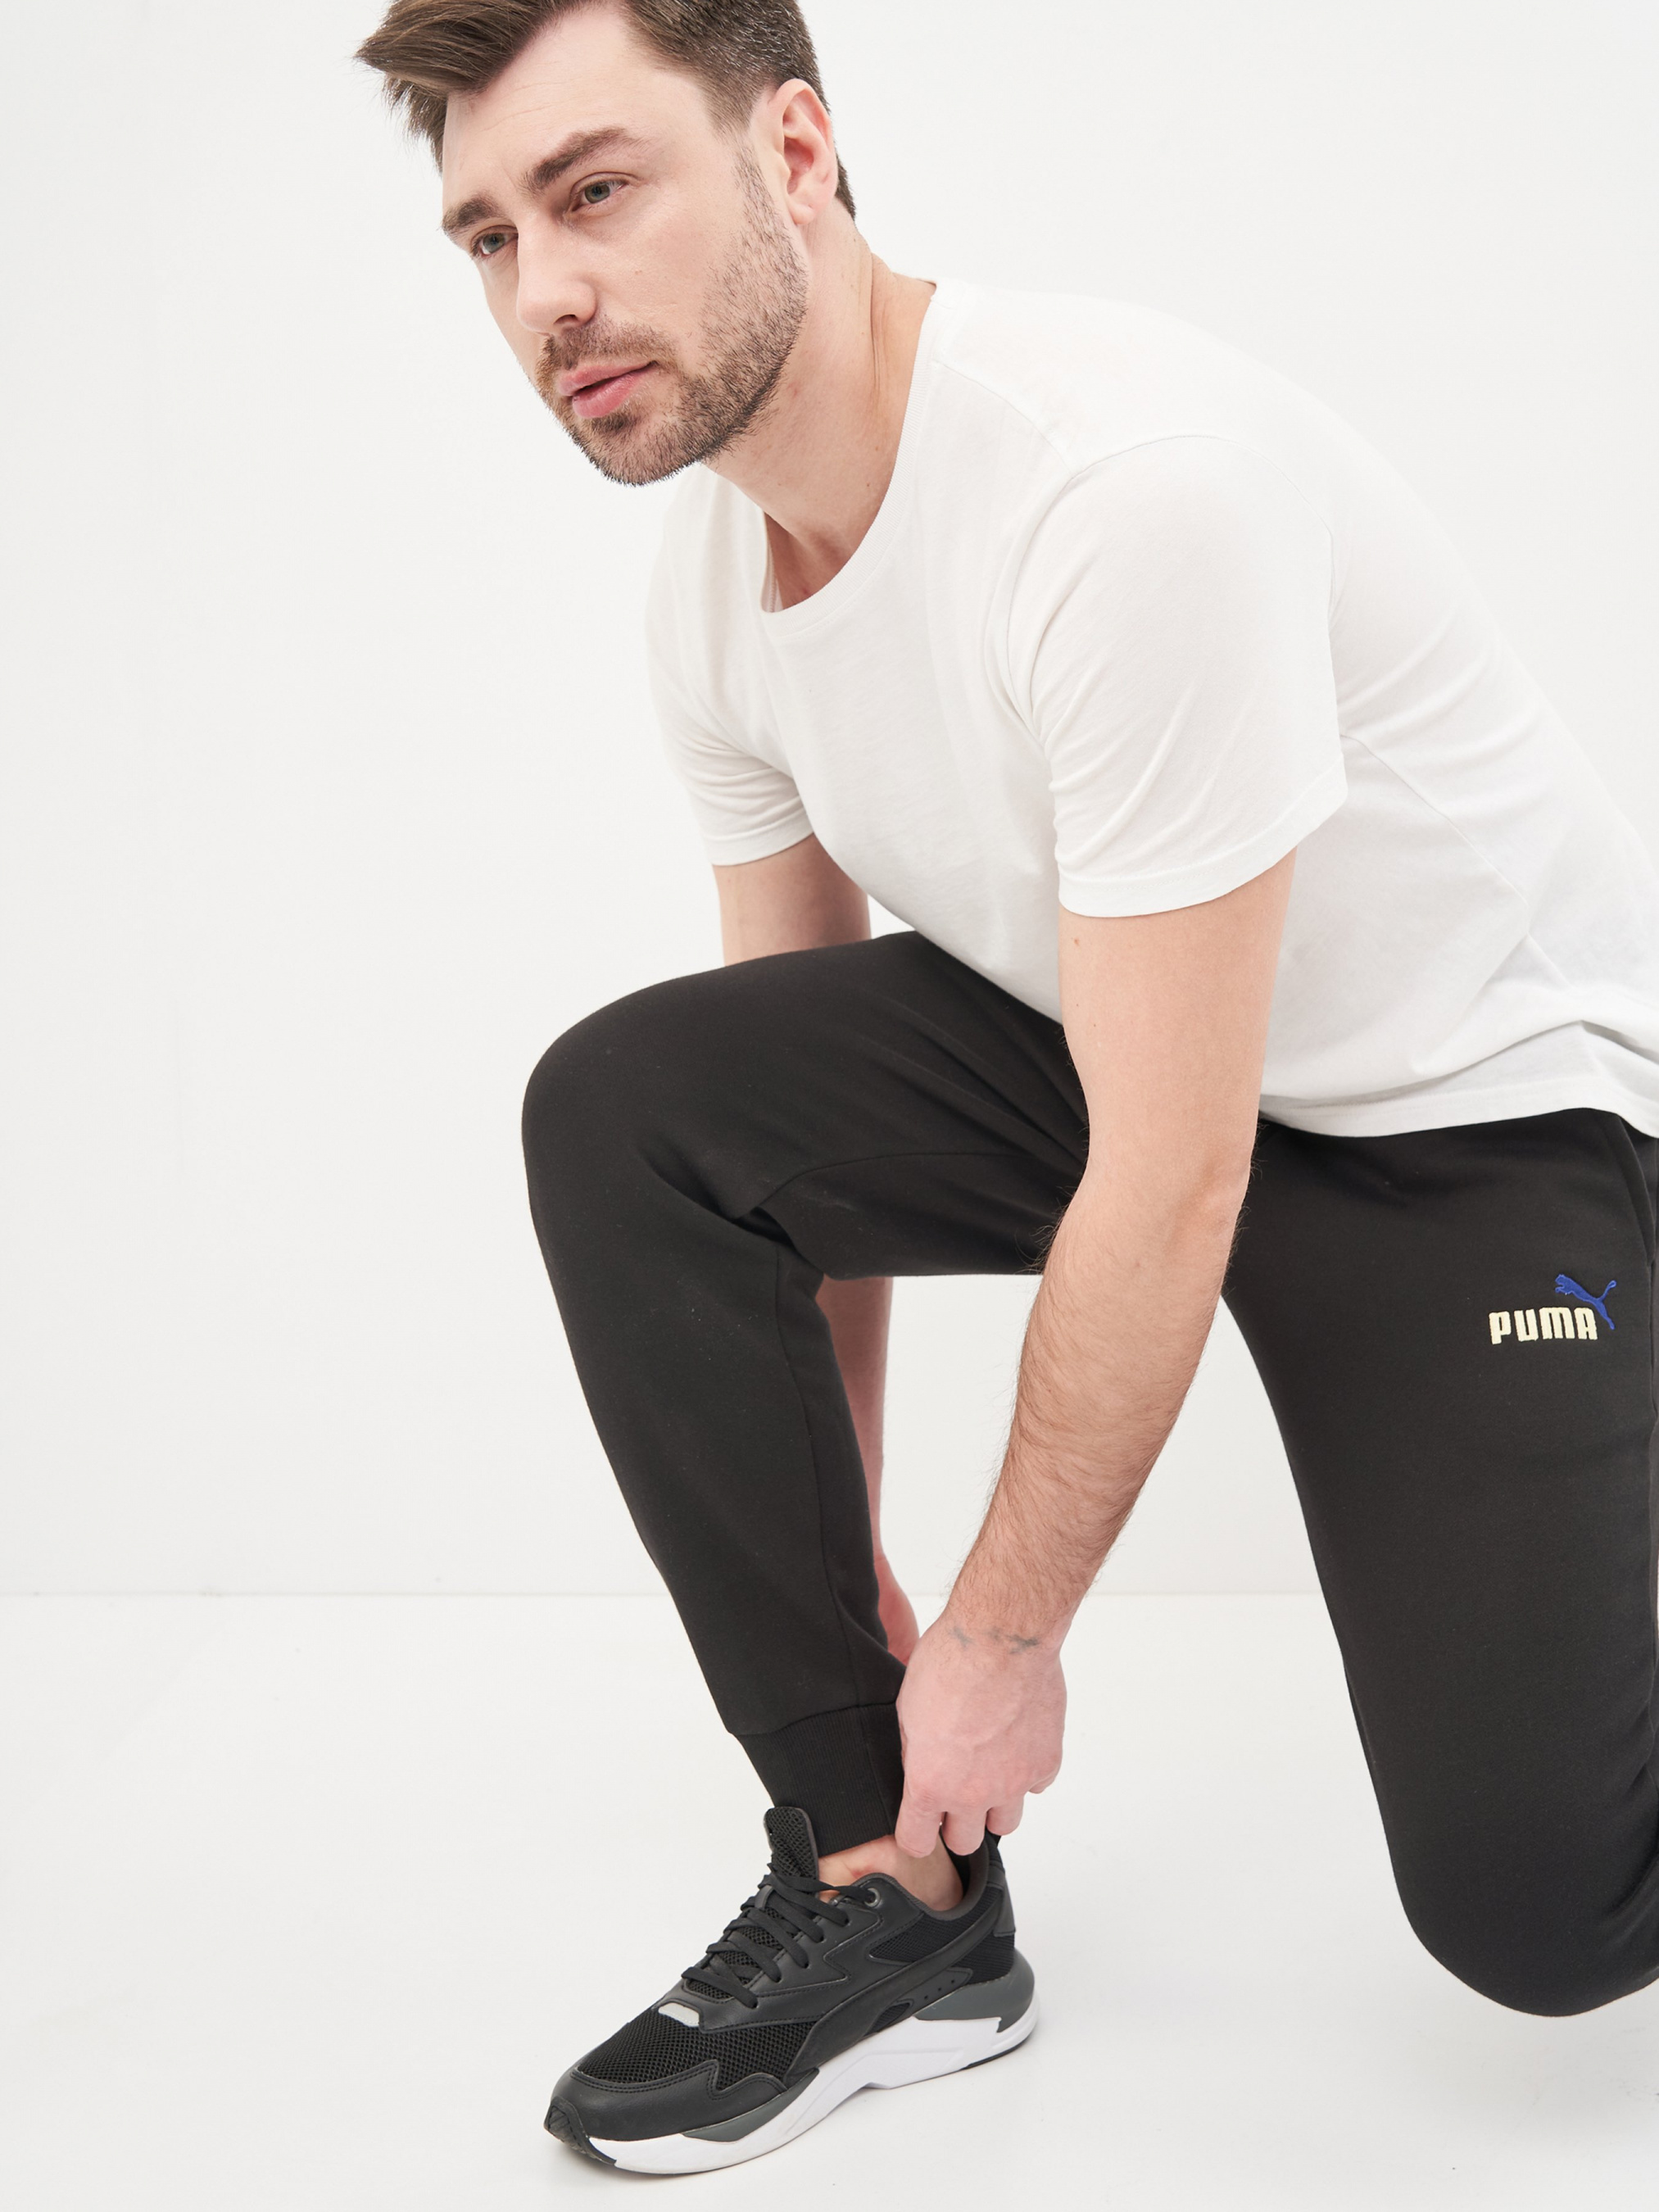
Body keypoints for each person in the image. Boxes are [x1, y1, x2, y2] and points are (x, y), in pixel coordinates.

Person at [357, 0, 1659, 2176]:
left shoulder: (1117, 490)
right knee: (630, 1107)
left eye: (592, 191)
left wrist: (996, 1633)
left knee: (1542, 1918)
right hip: (1136, 1055)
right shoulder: (713, 589)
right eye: (489, 237)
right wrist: (842, 1568)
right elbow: (781, 1147)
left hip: (1474, 1134)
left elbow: (1172, 1174)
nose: (544, 292)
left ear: (794, 151)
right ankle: (893, 1897)